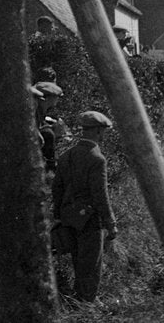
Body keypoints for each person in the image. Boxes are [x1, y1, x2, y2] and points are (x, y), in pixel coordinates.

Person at [52, 111, 118, 302]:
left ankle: (79, 300)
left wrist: (59, 215)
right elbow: (100, 195)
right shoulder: (97, 159)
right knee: (90, 264)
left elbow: (57, 188)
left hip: (69, 217)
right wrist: (111, 222)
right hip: (89, 219)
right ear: (97, 131)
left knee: (77, 259)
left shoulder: (66, 156)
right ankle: (86, 304)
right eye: (103, 131)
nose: (103, 135)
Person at [33, 81, 66, 173]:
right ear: (47, 98)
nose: (57, 100)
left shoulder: (41, 111)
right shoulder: (35, 111)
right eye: (56, 97)